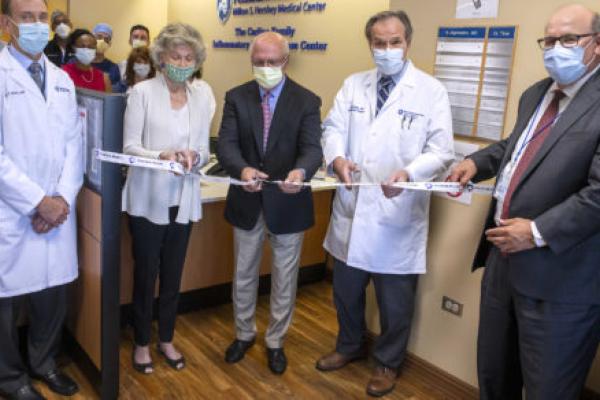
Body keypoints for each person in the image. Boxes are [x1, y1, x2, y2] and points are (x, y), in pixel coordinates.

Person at [449, 5, 600, 400]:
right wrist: (474, 162)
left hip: (561, 276)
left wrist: (536, 232)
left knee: (548, 388)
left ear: (597, 45)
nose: (555, 49)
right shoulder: (538, 92)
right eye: (549, 40)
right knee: (495, 374)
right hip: (503, 258)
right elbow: (515, 148)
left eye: (569, 39)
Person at [315, 10, 454, 397]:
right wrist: (337, 158)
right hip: (351, 206)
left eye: (395, 42)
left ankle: (388, 363)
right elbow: (333, 128)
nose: (388, 49)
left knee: (395, 302)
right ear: (370, 45)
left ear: (408, 43)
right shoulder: (354, 85)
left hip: (397, 213)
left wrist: (409, 173)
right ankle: (349, 345)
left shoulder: (430, 91)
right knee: (346, 291)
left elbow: (441, 150)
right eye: (380, 43)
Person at [217, 31, 322, 375]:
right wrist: (242, 168)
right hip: (247, 200)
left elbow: (312, 149)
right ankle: (243, 333)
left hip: (288, 202)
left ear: (285, 61)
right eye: (259, 62)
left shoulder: (307, 101)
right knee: (243, 274)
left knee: (284, 278)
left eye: (272, 62)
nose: (265, 68)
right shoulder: (236, 97)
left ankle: (276, 340)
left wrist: (301, 170)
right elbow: (227, 144)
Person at [0, 0, 83, 398]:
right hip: (11, 210)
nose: (36, 25)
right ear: (6, 23)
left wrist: (61, 201)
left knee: (52, 292)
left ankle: (44, 362)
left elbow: (74, 145)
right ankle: (11, 380)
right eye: (26, 17)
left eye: (42, 18)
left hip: (56, 210)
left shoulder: (63, 80)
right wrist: (38, 202)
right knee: (5, 300)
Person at [122, 22, 215, 375]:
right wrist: (162, 155)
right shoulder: (142, 93)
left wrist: (195, 157)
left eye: (189, 57)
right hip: (148, 198)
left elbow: (205, 150)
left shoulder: (201, 96)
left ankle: (166, 339)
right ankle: (142, 343)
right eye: (175, 56)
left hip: (184, 197)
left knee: (173, 276)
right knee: (146, 274)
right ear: (161, 58)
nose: (182, 62)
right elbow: (129, 146)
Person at [91, 23, 123, 92]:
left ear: (109, 44)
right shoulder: (80, 63)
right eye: (99, 37)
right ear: (92, 39)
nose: (102, 41)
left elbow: (114, 93)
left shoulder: (113, 68)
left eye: (106, 39)